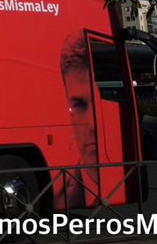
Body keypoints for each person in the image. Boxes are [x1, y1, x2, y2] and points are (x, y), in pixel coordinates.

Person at [57, 31, 100, 209]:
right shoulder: (61, 194)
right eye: (79, 105)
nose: (92, 125)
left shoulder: (64, 192)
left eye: (97, 103)